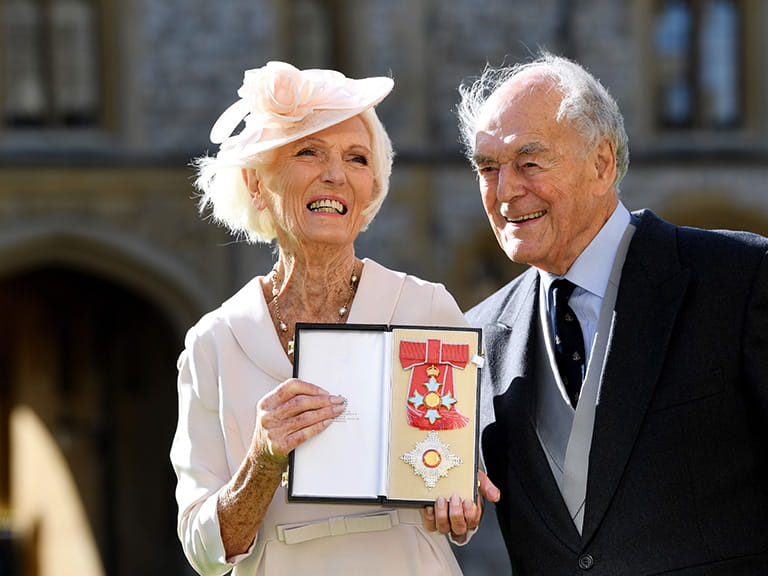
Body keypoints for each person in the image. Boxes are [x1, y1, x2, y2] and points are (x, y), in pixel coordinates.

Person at [457, 51, 768, 574]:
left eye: (529, 162)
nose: (505, 190)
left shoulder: (741, 277)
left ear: (602, 165)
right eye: (488, 168)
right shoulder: (476, 335)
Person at [170, 61, 483, 576]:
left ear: (371, 188)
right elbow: (204, 553)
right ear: (255, 183)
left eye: (356, 158)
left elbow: (458, 479)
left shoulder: (427, 308)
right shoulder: (215, 342)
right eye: (308, 152)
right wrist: (263, 460)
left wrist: (459, 502)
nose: (335, 175)